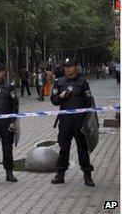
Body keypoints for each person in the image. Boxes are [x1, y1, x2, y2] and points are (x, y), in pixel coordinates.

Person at [50, 58, 95, 186]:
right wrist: (61, 96)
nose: (67, 69)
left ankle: (87, 175)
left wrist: (86, 124)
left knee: (82, 148)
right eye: (65, 66)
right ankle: (60, 175)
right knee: (64, 148)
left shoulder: (83, 82)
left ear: (76, 67)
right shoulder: (59, 82)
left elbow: (88, 104)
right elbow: (54, 100)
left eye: (70, 66)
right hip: (65, 122)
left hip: (79, 122)